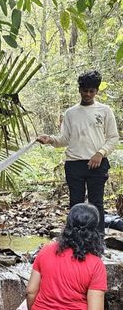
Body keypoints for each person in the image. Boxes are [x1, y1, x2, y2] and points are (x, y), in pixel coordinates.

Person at [38, 70, 119, 232]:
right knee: (76, 204)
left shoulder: (105, 111)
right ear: (79, 90)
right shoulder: (70, 113)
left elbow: (113, 138)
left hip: (97, 163)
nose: (88, 94)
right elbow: (65, 139)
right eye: (85, 90)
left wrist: (100, 153)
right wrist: (51, 139)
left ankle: (98, 241)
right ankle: (74, 240)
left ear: (96, 91)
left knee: (96, 203)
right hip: (74, 163)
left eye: (92, 91)